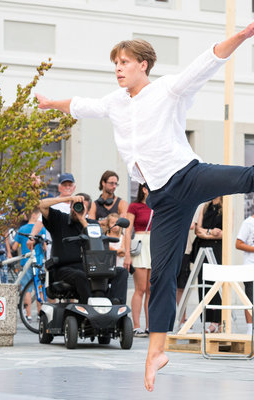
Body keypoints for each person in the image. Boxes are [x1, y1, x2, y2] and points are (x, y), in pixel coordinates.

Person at [34, 22, 254, 391]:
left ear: (144, 65)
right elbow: (81, 105)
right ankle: (155, 352)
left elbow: (207, 61)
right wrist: (49, 103)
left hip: (188, 176)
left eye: (124, 62)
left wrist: (243, 35)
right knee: (161, 276)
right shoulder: (115, 102)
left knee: (246, 178)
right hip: (163, 199)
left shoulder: (169, 89)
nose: (118, 68)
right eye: (115, 63)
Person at [39, 193, 128, 304]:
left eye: (83, 207)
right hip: (64, 268)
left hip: (91, 267)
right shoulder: (60, 219)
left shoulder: (91, 224)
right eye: (77, 205)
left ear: (88, 210)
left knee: (122, 272)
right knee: (80, 276)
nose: (78, 209)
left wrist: (82, 219)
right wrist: (70, 198)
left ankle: (115, 304)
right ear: (71, 206)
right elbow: (41, 204)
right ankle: (89, 308)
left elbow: (96, 238)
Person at [124, 184, 153, 338]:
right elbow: (128, 231)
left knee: (151, 289)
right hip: (141, 244)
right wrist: (127, 254)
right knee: (140, 288)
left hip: (154, 245)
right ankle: (136, 326)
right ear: (144, 189)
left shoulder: (157, 206)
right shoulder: (134, 206)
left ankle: (150, 326)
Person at [192, 197, 223, 333]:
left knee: (216, 285)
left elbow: (223, 234)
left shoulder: (225, 209)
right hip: (202, 248)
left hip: (217, 249)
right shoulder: (204, 207)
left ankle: (217, 321)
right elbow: (198, 231)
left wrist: (206, 232)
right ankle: (209, 320)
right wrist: (211, 232)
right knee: (204, 285)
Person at [12, 207, 46, 321]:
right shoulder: (41, 228)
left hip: (25, 262)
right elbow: (45, 247)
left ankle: (28, 315)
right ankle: (40, 314)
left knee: (27, 288)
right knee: (39, 288)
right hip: (39, 261)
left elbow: (14, 247)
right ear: (35, 215)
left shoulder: (22, 228)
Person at [27, 173, 76, 252]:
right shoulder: (52, 204)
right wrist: (32, 236)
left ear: (74, 187)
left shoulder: (78, 205)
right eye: (64, 185)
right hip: (56, 247)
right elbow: (40, 221)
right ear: (59, 188)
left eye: (70, 185)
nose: (67, 187)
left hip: (74, 247)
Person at [235, 212, 254, 335]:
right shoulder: (248, 223)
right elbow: (238, 244)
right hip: (250, 267)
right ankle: (249, 328)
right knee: (250, 298)